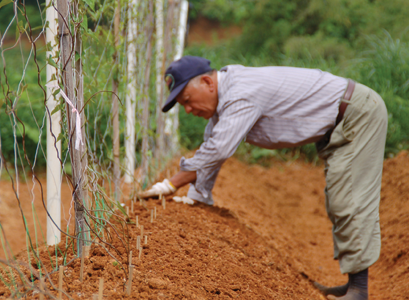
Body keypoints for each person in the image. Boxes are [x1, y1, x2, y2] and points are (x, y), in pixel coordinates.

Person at [139, 56, 388, 300]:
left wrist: (169, 185)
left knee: (349, 198)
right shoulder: (224, 99)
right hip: (339, 121)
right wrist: (198, 197)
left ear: (207, 83)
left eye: (188, 100)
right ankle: (353, 285)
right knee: (339, 197)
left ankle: (359, 291)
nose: (189, 110)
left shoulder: (241, 92)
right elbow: (212, 148)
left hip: (357, 114)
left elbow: (219, 150)